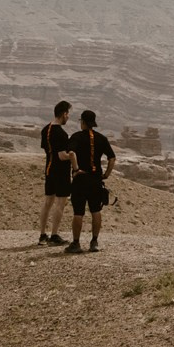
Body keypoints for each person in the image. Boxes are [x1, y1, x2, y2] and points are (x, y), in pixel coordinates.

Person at [66, 109, 117, 254]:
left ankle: (76, 244)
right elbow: (112, 158)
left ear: (82, 122)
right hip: (95, 180)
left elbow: (71, 153)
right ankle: (94, 242)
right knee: (96, 211)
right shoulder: (101, 138)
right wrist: (106, 174)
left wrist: (76, 169)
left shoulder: (76, 137)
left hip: (81, 179)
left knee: (78, 212)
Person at [37, 101, 75, 245]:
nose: (68, 117)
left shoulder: (45, 129)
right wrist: (72, 155)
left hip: (49, 169)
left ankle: (42, 235)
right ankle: (54, 235)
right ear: (64, 114)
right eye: (68, 114)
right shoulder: (61, 133)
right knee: (60, 203)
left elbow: (48, 151)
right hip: (61, 171)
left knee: (47, 202)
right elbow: (61, 156)